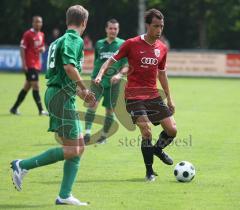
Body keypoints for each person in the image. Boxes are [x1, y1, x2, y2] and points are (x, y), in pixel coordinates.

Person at [10, 5, 96, 206]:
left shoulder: (58, 41)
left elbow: (61, 71)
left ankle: (64, 195)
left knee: (79, 146)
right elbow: (68, 68)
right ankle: (22, 165)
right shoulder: (74, 40)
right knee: (74, 149)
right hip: (61, 97)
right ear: (84, 22)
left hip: (60, 93)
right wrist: (84, 89)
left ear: (68, 21)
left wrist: (80, 94)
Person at [95, 9, 177, 181]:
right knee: (146, 131)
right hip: (133, 96)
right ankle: (149, 171)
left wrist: (169, 98)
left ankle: (157, 150)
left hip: (153, 95)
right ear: (147, 25)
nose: (159, 30)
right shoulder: (131, 43)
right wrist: (101, 74)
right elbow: (111, 60)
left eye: (161, 26)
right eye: (155, 26)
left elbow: (162, 73)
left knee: (172, 130)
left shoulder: (162, 48)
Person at [84, 19, 128, 144]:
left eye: (115, 28)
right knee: (92, 104)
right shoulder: (99, 44)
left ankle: (103, 136)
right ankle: (87, 133)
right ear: (106, 29)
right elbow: (97, 61)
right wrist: (94, 75)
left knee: (109, 110)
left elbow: (126, 64)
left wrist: (119, 75)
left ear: (118, 30)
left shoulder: (123, 44)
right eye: (111, 28)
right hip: (98, 82)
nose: (113, 31)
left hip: (114, 83)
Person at [10, 16, 48, 116]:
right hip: (30, 64)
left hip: (36, 64)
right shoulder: (28, 34)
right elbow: (22, 48)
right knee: (35, 85)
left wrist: (42, 49)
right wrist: (23, 63)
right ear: (32, 23)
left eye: (40, 22)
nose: (38, 24)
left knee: (27, 87)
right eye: (36, 22)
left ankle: (14, 108)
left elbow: (42, 46)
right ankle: (41, 110)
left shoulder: (41, 34)